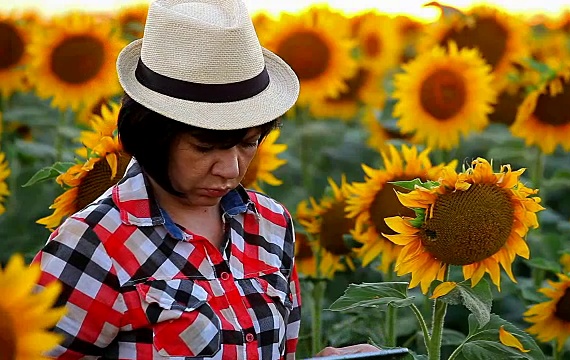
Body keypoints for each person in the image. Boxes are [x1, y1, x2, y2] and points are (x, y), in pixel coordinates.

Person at [32, 0, 379, 358]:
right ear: (152, 136)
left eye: (249, 143)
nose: (231, 169)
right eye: (204, 148)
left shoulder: (271, 224)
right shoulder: (93, 243)